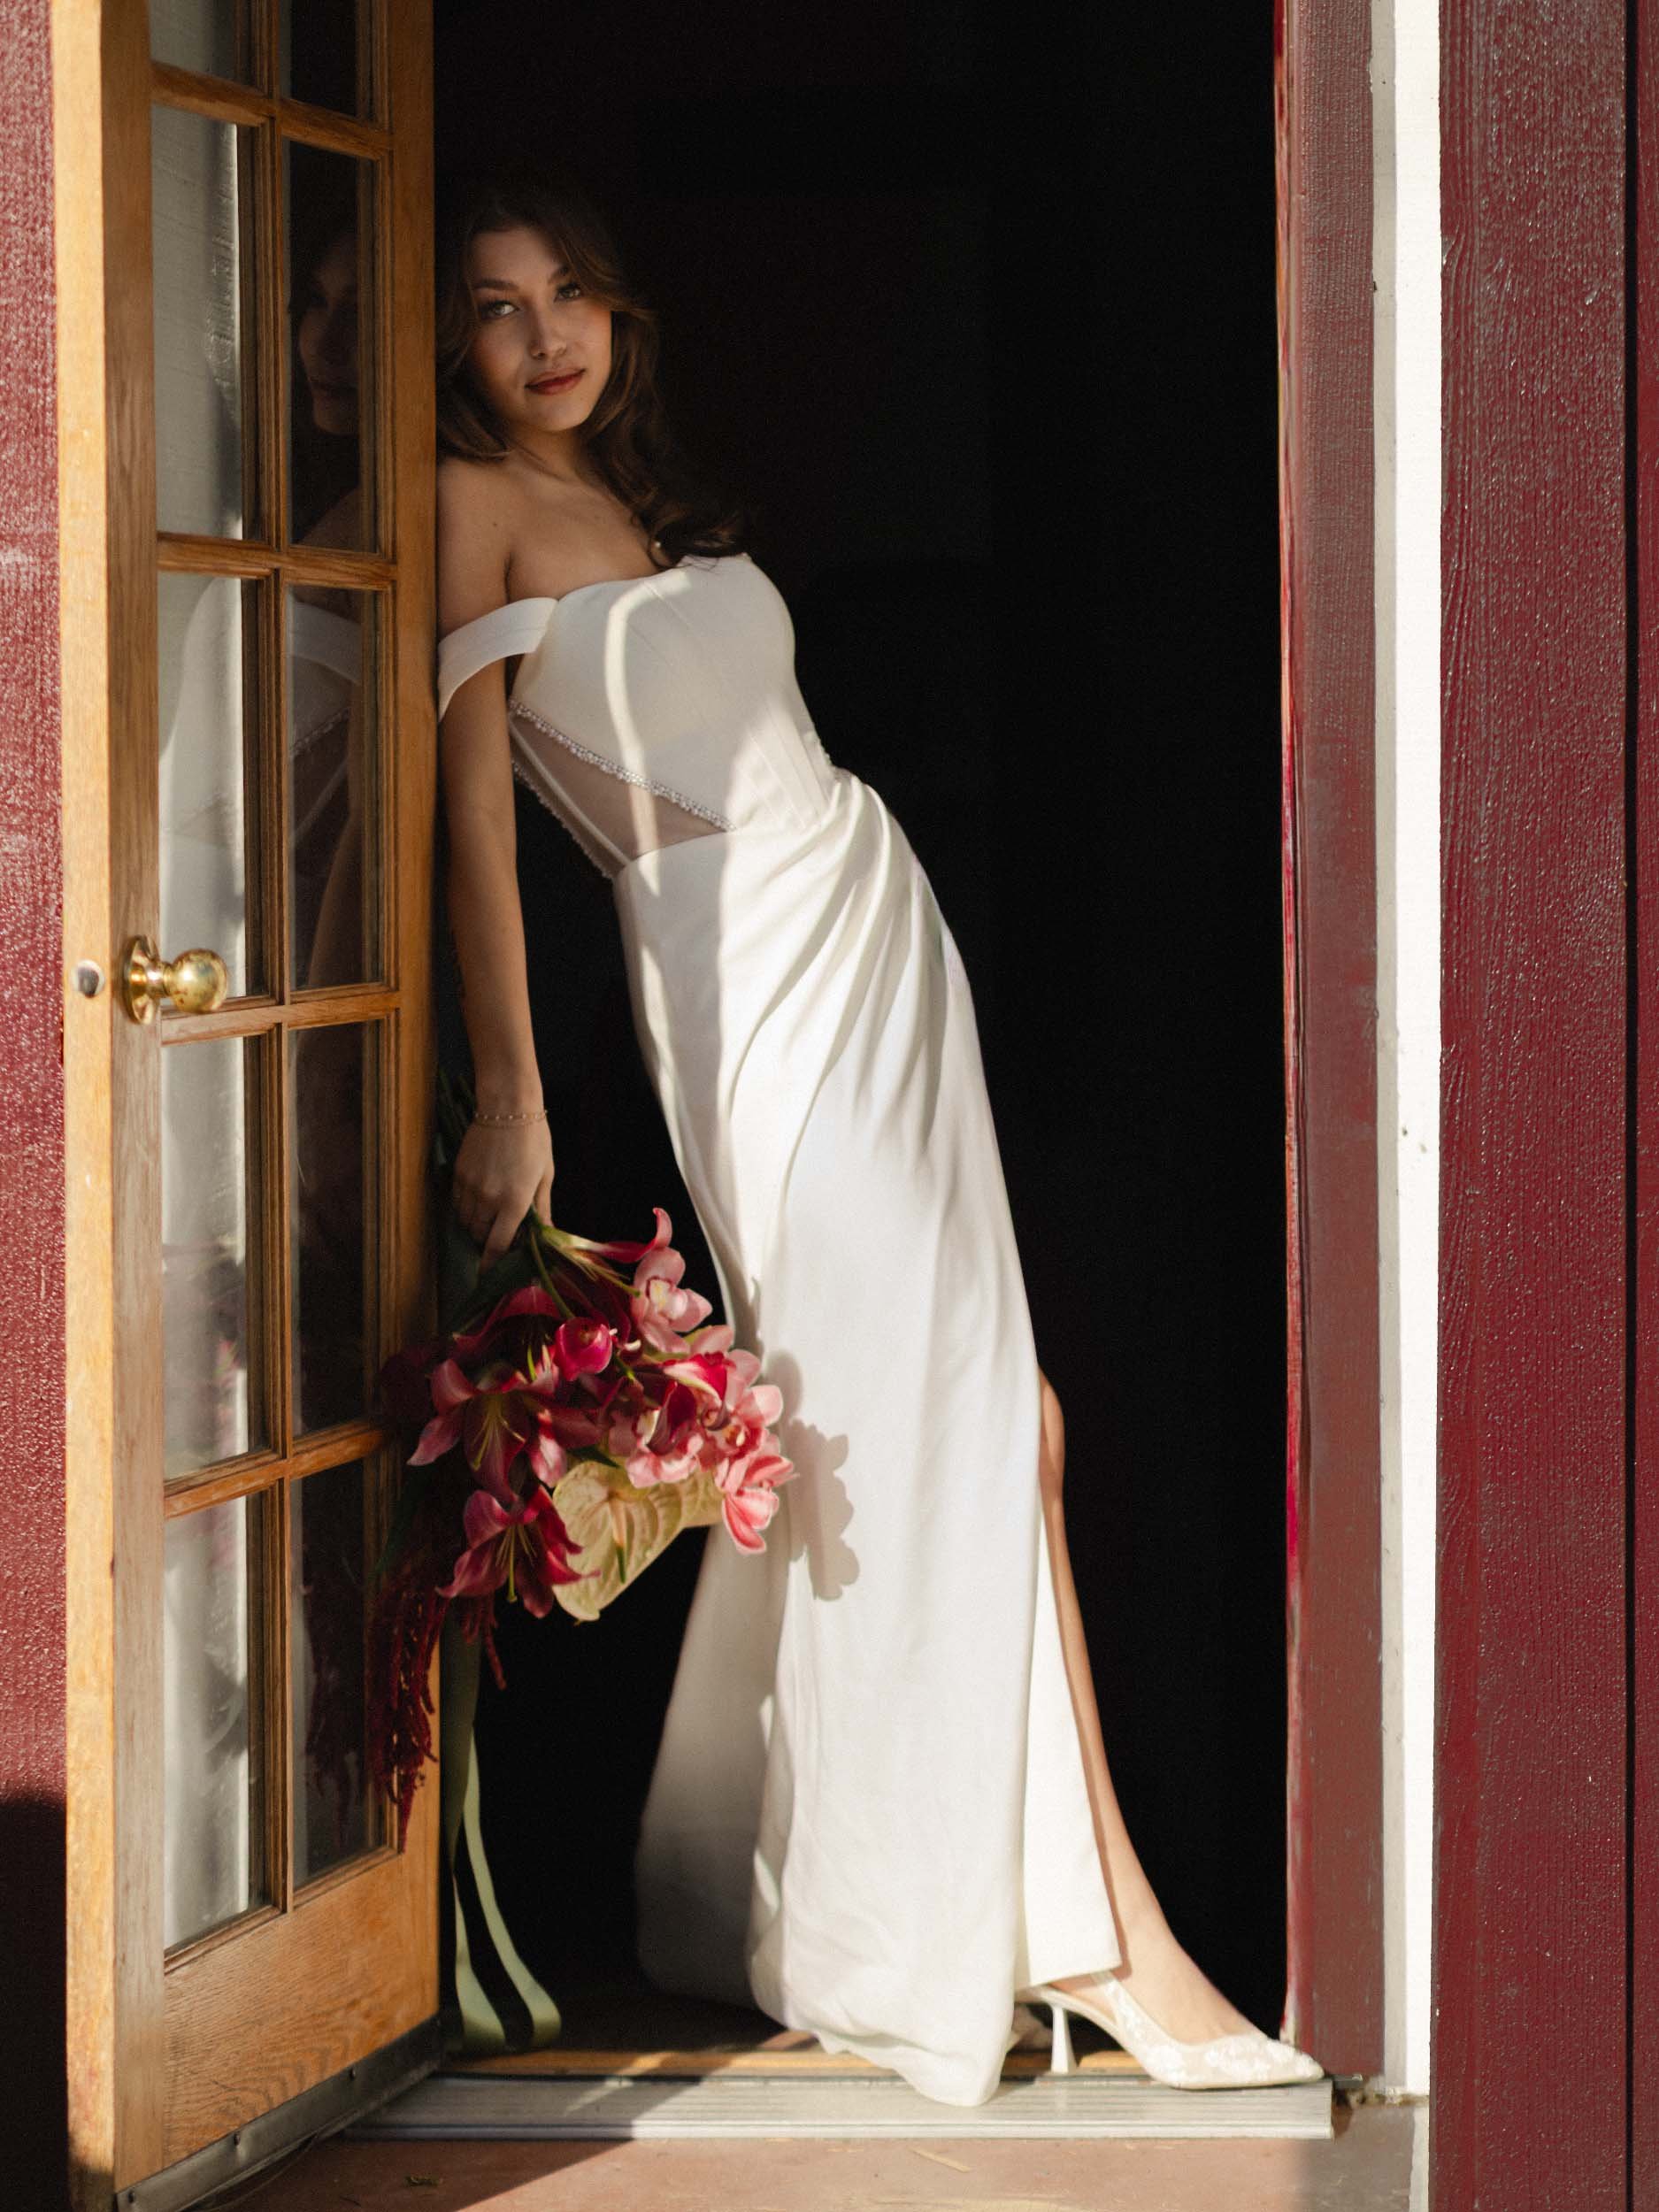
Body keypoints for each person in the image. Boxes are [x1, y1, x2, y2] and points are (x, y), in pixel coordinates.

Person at [432, 165, 1325, 2107]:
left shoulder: (642, 499)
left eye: (572, 290)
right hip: (736, 977)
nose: (546, 334)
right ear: (449, 343)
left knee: (930, 1421)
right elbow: (475, 826)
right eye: (498, 306)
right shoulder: (467, 508)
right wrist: (510, 1081)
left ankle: (831, 1901)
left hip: (864, 928)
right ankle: (1106, 1946)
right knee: (989, 1426)